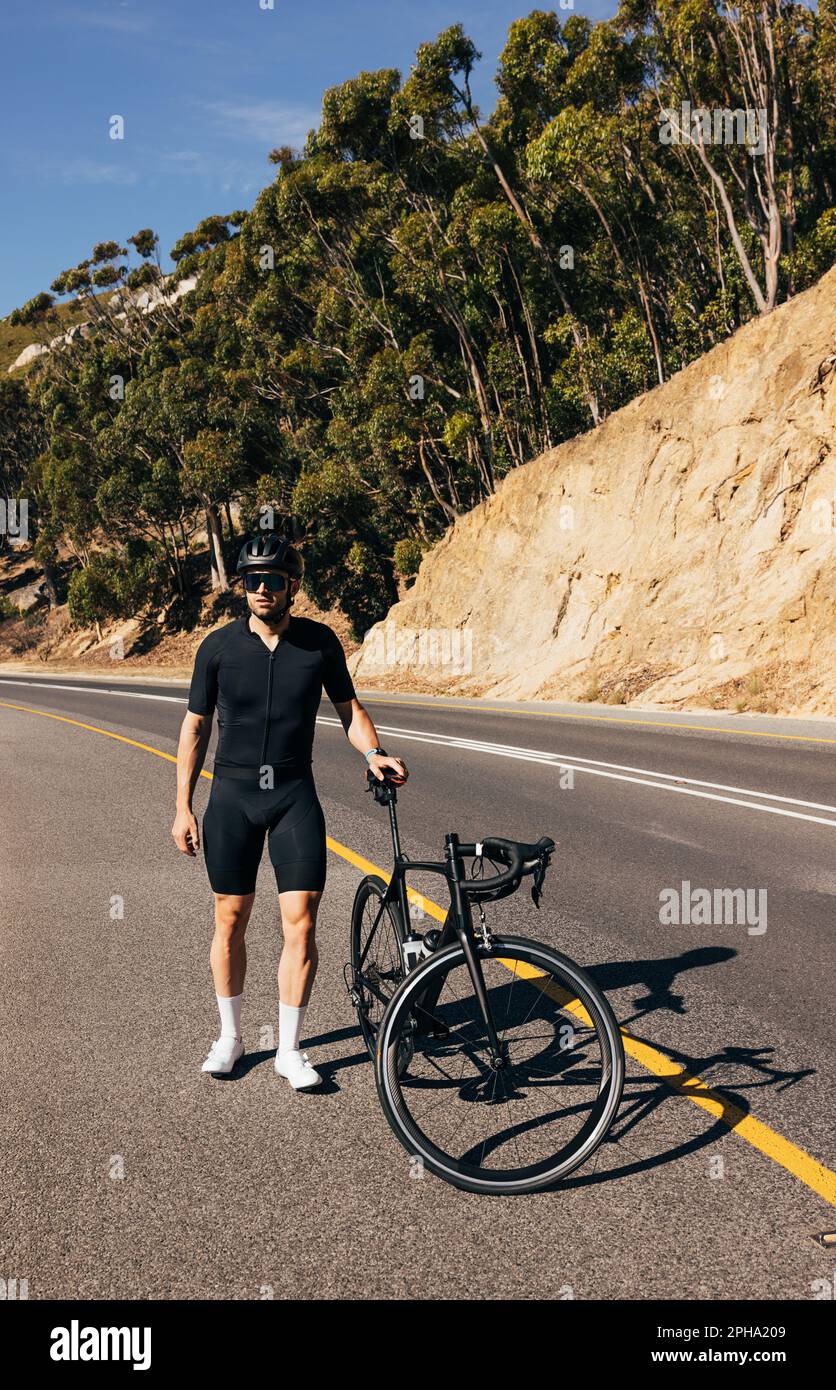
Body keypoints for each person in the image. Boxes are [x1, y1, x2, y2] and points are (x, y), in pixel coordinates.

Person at [171, 530, 408, 1090]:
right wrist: (182, 805)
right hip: (232, 798)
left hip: (293, 799)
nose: (259, 590)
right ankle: (230, 1037)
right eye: (251, 580)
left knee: (300, 924)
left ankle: (289, 1049)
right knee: (229, 920)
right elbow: (195, 726)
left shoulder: (320, 644)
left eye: (271, 581)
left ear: (291, 586)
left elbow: (350, 711)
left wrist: (374, 752)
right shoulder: (218, 648)